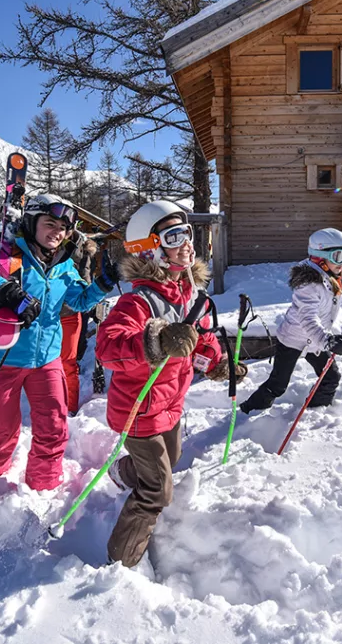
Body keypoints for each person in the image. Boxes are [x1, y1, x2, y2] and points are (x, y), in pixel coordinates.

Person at [95, 200, 244, 568]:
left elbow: (200, 341)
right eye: (174, 236)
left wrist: (217, 364)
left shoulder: (191, 295)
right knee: (157, 490)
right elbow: (108, 348)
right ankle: (120, 563)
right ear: (150, 249)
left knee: (171, 458)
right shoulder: (137, 302)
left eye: (188, 233)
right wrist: (154, 342)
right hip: (139, 410)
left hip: (169, 406)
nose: (187, 243)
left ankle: (122, 472)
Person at [0, 193, 119, 491]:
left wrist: (102, 285)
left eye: (62, 228)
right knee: (1, 431)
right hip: (2, 358)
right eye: (50, 223)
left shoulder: (64, 267)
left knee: (54, 427)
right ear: (32, 223)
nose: (56, 232)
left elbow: (80, 301)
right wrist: (5, 290)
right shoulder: (8, 258)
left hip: (47, 360)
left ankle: (44, 485)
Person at [238, 228, 342, 415]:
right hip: (294, 338)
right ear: (319, 257)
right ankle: (248, 411)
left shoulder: (333, 278)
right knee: (278, 384)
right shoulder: (308, 285)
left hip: (316, 340)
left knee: (331, 377)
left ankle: (315, 412)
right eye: (338, 256)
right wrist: (327, 341)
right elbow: (308, 319)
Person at [58, 230, 98, 416]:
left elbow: (85, 278)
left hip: (70, 311)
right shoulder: (47, 247)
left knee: (68, 362)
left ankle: (69, 407)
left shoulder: (82, 251)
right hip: (49, 312)